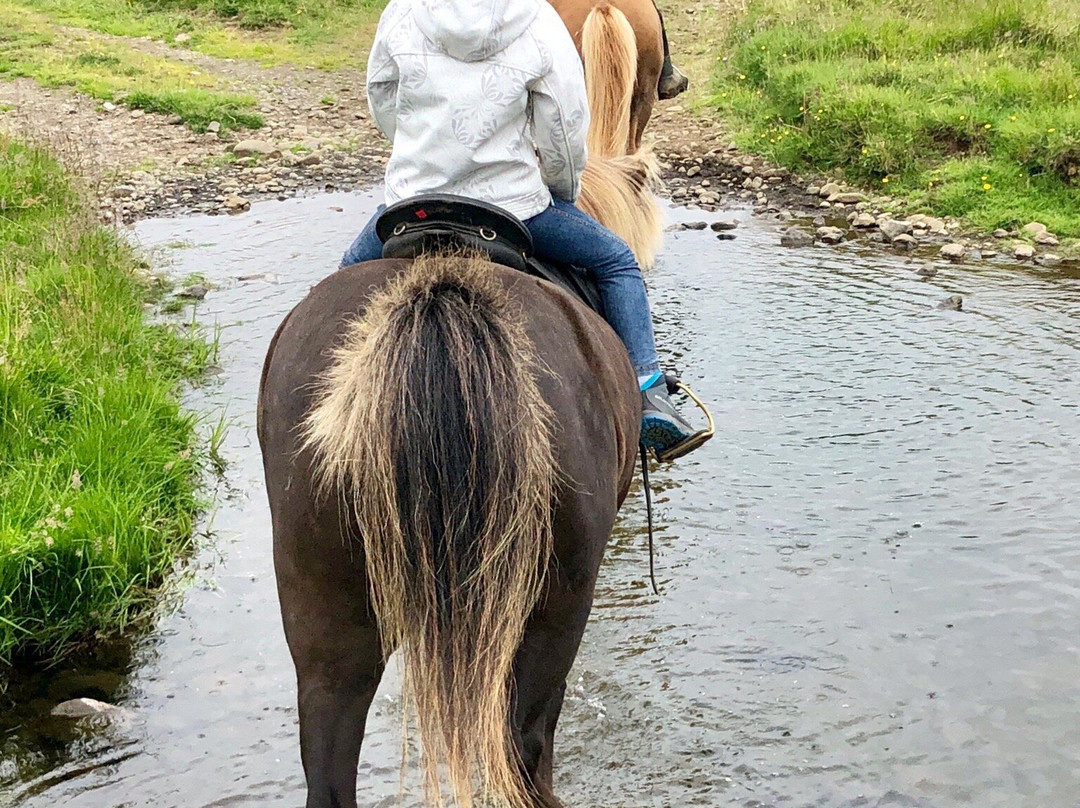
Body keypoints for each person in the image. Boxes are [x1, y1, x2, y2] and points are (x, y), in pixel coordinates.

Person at [342, 0, 704, 460]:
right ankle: (650, 394)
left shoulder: (402, 10)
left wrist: (422, 155)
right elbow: (564, 123)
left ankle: (314, 388)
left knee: (343, 279)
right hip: (512, 212)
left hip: (413, 207)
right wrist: (562, 189)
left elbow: (382, 94)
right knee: (617, 262)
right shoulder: (535, 17)